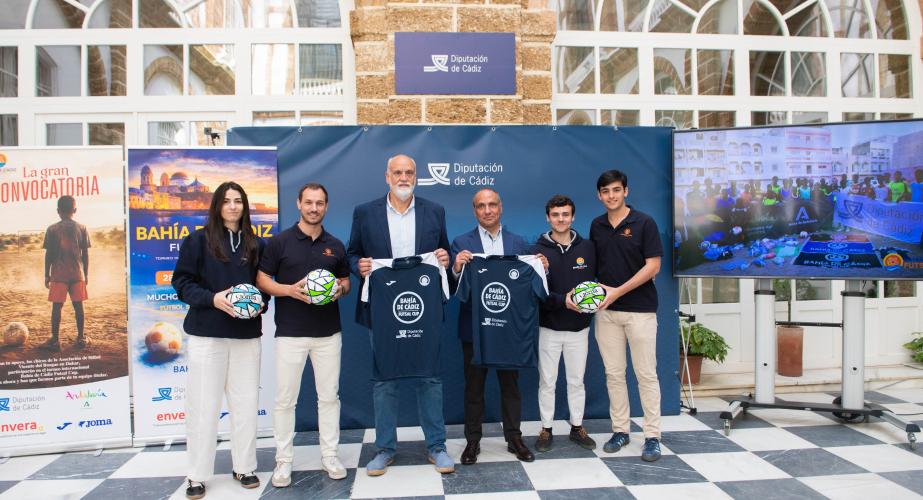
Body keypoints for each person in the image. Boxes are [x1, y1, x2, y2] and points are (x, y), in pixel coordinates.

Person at [346, 154, 454, 476]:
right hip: (381, 309)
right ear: (387, 176)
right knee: (385, 380)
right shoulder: (365, 212)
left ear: (416, 176)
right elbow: (353, 253)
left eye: (409, 172)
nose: (403, 177)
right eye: (398, 172)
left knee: (429, 377)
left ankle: (436, 446)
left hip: (424, 309)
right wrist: (359, 267)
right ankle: (384, 449)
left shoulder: (434, 211)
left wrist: (445, 259)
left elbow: (443, 251)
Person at [172, 182, 268, 499]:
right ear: (216, 205)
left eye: (238, 201)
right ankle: (197, 475)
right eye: (226, 201)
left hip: (245, 337)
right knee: (203, 407)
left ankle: (244, 467)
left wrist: (258, 303)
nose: (232, 206)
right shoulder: (197, 241)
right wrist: (213, 299)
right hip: (207, 336)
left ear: (245, 205)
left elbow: (264, 287)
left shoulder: (256, 244)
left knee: (245, 405)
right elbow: (182, 283)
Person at [256, 183, 351, 487]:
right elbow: (261, 279)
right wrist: (289, 291)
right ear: (298, 204)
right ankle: (283, 462)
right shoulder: (280, 242)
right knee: (285, 400)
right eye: (308, 202)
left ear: (326, 206)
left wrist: (339, 290)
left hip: (327, 334)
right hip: (291, 333)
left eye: (319, 203)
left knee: (329, 398)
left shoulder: (335, 245)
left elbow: (346, 281)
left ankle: (330, 455)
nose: (314, 208)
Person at [451, 188, 548, 464]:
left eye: (492, 204)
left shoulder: (519, 244)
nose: (487, 210)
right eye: (481, 206)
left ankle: (514, 438)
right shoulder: (461, 243)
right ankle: (472, 442)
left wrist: (541, 266)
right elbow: (451, 285)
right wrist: (457, 267)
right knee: (473, 388)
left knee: (510, 386)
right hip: (474, 328)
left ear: (501, 207)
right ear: (474, 211)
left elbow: (530, 284)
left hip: (508, 329)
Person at [583, 169, 664, 463]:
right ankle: (621, 430)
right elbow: (594, 268)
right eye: (605, 192)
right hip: (606, 315)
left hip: (640, 312)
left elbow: (652, 266)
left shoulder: (644, 222)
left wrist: (617, 291)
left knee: (646, 375)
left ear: (626, 191)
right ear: (599, 196)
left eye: (616, 190)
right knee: (614, 375)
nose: (611, 196)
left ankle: (653, 436)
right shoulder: (596, 225)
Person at [530, 195, 597, 453]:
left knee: (576, 381)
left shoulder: (588, 248)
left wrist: (588, 303)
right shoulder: (535, 251)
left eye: (565, 214)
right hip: (548, 327)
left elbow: (596, 284)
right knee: (547, 380)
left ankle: (577, 426)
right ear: (548, 217)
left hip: (579, 328)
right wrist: (562, 301)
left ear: (573, 217)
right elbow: (535, 291)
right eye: (556, 215)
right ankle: (546, 429)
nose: (561, 219)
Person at [40, 195, 91, 351]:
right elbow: (85, 255)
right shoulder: (82, 228)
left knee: (57, 307)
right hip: (77, 274)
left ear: (58, 211)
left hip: (58, 274)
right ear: (74, 210)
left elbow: (48, 254)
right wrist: (86, 274)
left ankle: (55, 341)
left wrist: (46, 274)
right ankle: (81, 338)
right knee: (78, 306)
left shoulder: (52, 229)